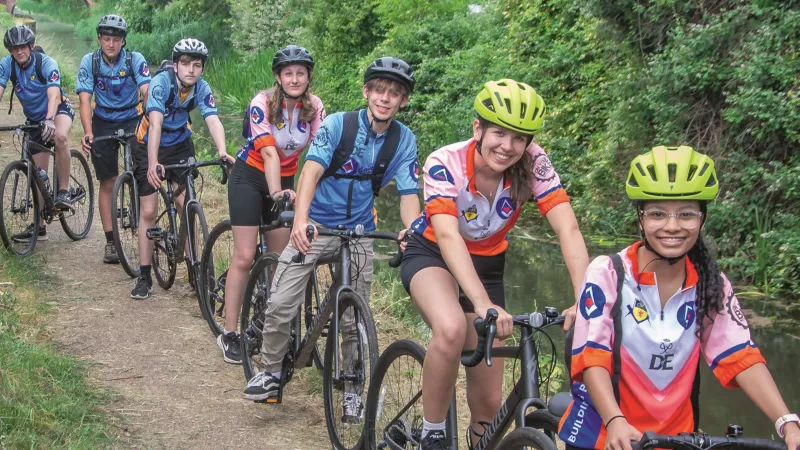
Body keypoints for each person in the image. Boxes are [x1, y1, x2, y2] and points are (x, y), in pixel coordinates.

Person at [558, 146, 800, 450]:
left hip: (676, 439)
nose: (672, 226)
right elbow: (592, 357)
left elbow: (741, 356)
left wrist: (785, 421)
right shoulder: (608, 273)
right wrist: (614, 419)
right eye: (658, 214)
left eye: (686, 214)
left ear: (702, 218)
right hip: (606, 434)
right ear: (640, 217)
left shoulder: (711, 284)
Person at [398, 79, 589, 449]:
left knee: (488, 405)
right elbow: (450, 237)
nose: (508, 146)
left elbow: (568, 227)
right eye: (499, 133)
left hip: (487, 263)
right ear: (477, 129)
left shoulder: (534, 162)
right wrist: (482, 303)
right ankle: (432, 431)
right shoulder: (445, 162)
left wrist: (586, 297)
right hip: (433, 252)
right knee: (452, 328)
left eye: (519, 138)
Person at [242, 57, 421, 413]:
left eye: (395, 94)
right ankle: (271, 370)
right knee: (281, 302)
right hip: (317, 224)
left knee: (354, 317)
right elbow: (309, 172)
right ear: (367, 92)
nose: (386, 98)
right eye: (380, 90)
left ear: (403, 101)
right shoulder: (339, 125)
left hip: (358, 231)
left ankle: (351, 386)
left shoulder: (404, 140)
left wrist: (411, 229)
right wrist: (301, 220)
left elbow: (409, 194)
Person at [217, 45, 325, 364]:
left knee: (281, 259)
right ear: (278, 77)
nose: (295, 79)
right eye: (288, 73)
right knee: (245, 255)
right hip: (250, 176)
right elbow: (268, 154)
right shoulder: (261, 103)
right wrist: (276, 193)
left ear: (308, 77)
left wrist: (309, 194)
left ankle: (271, 328)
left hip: (287, 179)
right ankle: (230, 334)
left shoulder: (314, 106)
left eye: (300, 73)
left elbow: (319, 154)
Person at [130, 38, 234, 300]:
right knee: (150, 210)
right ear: (175, 65)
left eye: (196, 65)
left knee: (186, 204)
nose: (191, 70)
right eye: (185, 64)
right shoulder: (161, 83)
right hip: (148, 144)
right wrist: (153, 162)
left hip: (179, 143)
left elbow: (212, 119)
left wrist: (222, 151)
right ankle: (144, 276)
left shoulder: (201, 87)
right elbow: (155, 125)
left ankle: (194, 266)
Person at [77, 14, 150, 264]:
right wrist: (88, 131)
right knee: (107, 181)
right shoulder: (90, 62)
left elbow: (146, 91)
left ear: (123, 41)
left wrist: (151, 120)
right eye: (106, 39)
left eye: (116, 39)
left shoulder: (134, 60)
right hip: (104, 119)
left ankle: (146, 229)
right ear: (99, 39)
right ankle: (111, 241)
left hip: (132, 117)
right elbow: (85, 99)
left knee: (142, 173)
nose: (111, 44)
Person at [0, 25, 75, 241]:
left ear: (31, 46)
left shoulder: (46, 63)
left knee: (60, 137)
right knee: (38, 173)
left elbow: (53, 95)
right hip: (34, 120)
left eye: (22, 47)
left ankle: (64, 191)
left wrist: (50, 119)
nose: (19, 52)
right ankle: (39, 226)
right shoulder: (7, 65)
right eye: (14, 49)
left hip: (58, 110)